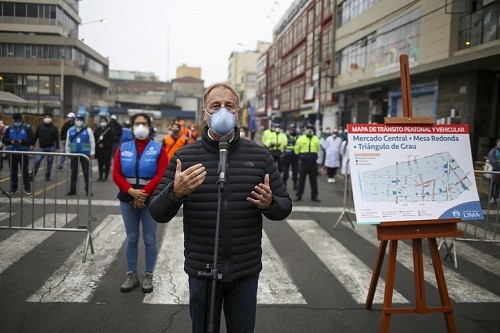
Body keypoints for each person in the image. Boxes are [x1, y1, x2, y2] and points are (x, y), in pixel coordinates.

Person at [149, 82, 292, 333]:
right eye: (216, 106)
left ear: (238, 112)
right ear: (204, 113)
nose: (223, 111)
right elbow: (157, 212)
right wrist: (175, 193)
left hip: (245, 271)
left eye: (229, 106)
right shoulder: (185, 157)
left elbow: (284, 207)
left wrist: (270, 204)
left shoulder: (260, 156)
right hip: (202, 270)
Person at [113, 113, 168, 293]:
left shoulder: (158, 148)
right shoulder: (123, 148)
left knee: (150, 239)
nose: (140, 127)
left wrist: (143, 194)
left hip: (150, 200)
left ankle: (148, 275)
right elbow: (116, 174)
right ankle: (131, 275)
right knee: (132, 238)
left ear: (150, 126)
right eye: (137, 123)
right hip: (127, 199)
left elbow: (162, 174)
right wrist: (131, 192)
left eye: (143, 123)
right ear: (132, 126)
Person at [2, 113, 34, 195]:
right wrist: (11, 141)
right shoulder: (9, 128)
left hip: (23, 152)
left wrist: (22, 142)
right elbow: (4, 139)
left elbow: (32, 139)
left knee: (25, 171)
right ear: (13, 120)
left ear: (21, 120)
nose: (17, 122)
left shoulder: (27, 128)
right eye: (15, 120)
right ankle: (14, 188)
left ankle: (28, 189)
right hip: (12, 152)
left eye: (18, 120)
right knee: (13, 171)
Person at [65, 114, 95, 196]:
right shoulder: (70, 130)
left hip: (85, 154)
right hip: (74, 153)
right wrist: (67, 152)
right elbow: (68, 141)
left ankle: (88, 189)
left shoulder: (88, 130)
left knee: (86, 172)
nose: (79, 121)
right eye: (77, 119)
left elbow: (92, 141)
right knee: (73, 172)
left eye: (81, 119)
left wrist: (92, 153)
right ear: (75, 120)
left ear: (83, 121)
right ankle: (72, 189)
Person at [294, 124, 321, 202]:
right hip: (304, 163)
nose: (309, 130)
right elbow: (296, 150)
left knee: (314, 180)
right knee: (301, 180)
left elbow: (318, 149)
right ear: (305, 130)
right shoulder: (301, 139)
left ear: (313, 130)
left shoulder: (316, 139)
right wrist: (302, 157)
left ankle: (314, 196)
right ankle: (299, 196)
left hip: (313, 163)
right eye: (308, 128)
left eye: (311, 129)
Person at [32, 113, 59, 181]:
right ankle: (33, 174)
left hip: (51, 147)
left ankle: (48, 175)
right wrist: (33, 144)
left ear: (51, 118)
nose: (47, 118)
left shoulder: (54, 128)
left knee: (50, 162)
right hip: (42, 147)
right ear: (43, 118)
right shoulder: (39, 126)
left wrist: (57, 148)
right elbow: (35, 136)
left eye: (49, 117)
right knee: (37, 160)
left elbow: (56, 138)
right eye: (46, 117)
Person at [94, 116, 114, 181]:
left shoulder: (110, 130)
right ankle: (100, 176)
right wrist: (98, 144)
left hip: (107, 150)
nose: (103, 122)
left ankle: (106, 177)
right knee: (100, 163)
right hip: (99, 150)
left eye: (104, 121)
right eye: (102, 121)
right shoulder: (97, 129)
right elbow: (95, 138)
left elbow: (111, 139)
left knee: (107, 163)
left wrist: (104, 144)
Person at [282, 124, 299, 190]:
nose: (292, 130)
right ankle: (284, 185)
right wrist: (282, 153)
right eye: (291, 129)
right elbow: (283, 145)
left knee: (295, 171)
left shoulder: (298, 137)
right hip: (287, 156)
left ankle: (295, 185)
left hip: (295, 156)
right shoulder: (285, 136)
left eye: (293, 129)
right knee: (285, 171)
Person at [487, 139, 500, 204]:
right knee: (492, 184)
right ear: (497, 144)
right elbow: (491, 159)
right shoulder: (493, 151)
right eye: (499, 143)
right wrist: (497, 163)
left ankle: (496, 197)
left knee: (498, 184)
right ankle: (491, 197)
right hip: (494, 169)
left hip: (499, 170)